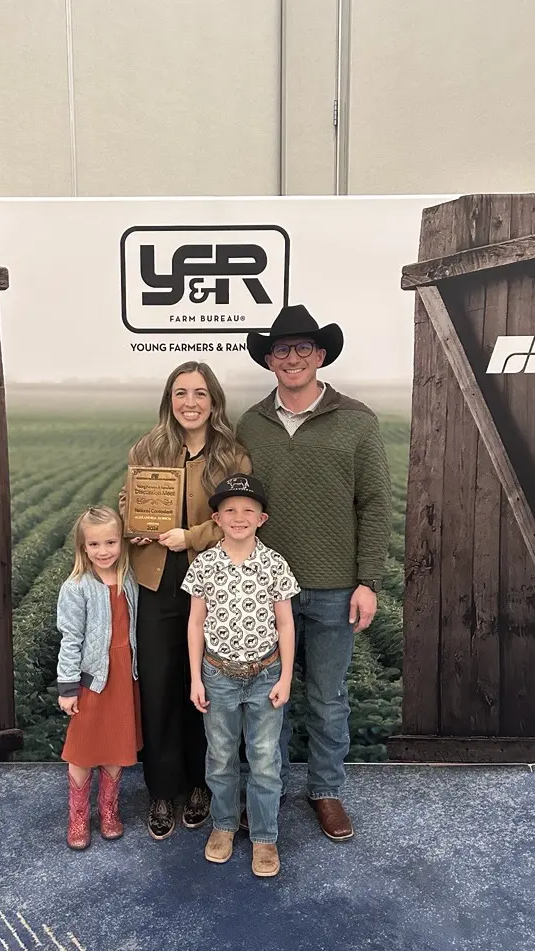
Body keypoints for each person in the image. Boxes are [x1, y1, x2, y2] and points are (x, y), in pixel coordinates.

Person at [236, 304, 392, 842]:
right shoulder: (251, 424)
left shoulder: (357, 421)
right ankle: (269, 788)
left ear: (321, 355)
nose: (293, 358)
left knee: (328, 698)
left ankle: (325, 790)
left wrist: (368, 581)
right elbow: (235, 501)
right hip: (264, 590)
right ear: (269, 360)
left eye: (304, 347)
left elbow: (374, 504)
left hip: (333, 589)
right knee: (267, 699)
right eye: (282, 349)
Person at [120, 361, 251, 841]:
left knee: (204, 687)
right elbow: (127, 500)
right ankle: (161, 790)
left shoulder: (232, 456)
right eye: (180, 393)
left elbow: (239, 516)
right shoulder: (147, 448)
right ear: (169, 400)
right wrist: (133, 524)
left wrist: (189, 536)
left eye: (199, 393)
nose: (189, 402)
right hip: (156, 581)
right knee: (158, 687)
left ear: (213, 402)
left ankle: (200, 785)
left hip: (210, 583)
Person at [183, 473, 299, 878]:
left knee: (265, 759)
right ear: (216, 518)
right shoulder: (205, 565)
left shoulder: (274, 565)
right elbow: (195, 624)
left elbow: (286, 624)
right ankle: (224, 825)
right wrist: (196, 678)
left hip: (266, 674)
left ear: (261, 519)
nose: (238, 517)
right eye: (229, 510)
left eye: (248, 510)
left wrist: (285, 677)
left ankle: (265, 836)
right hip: (218, 675)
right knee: (220, 756)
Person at [56, 506, 142, 851]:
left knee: (115, 746)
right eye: (94, 544)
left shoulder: (129, 579)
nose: (103, 551)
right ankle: (78, 816)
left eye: (110, 542)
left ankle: (108, 809)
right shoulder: (77, 587)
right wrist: (68, 687)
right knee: (83, 749)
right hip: (93, 680)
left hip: (123, 676)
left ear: (122, 542)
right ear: (83, 548)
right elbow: (70, 639)